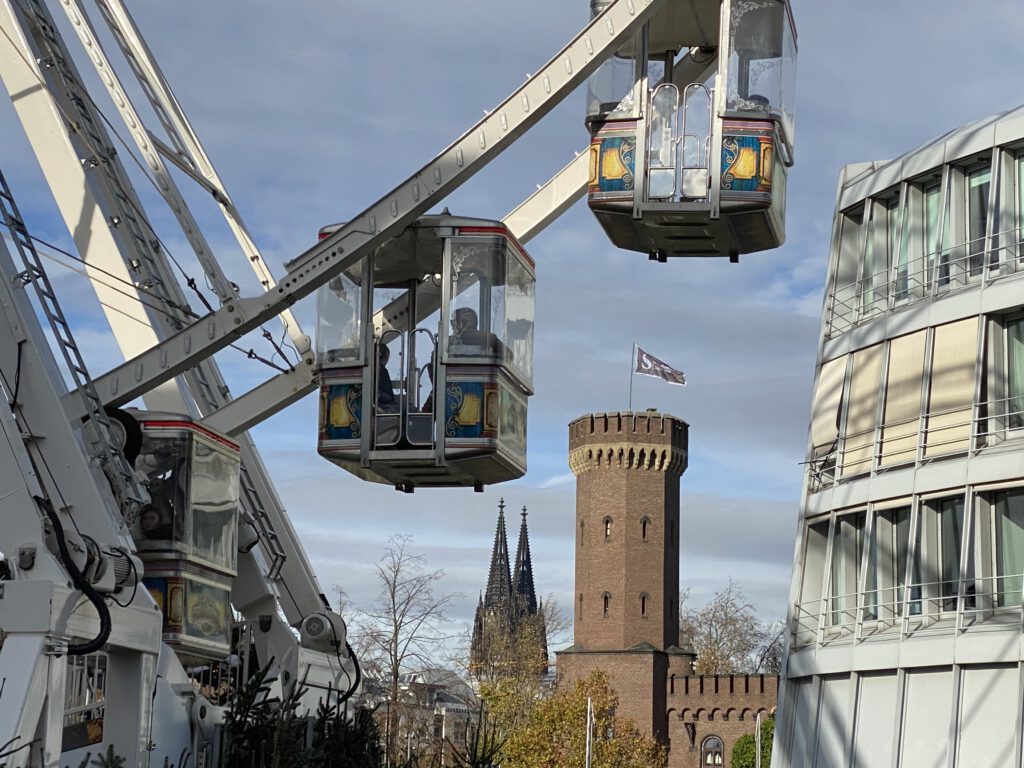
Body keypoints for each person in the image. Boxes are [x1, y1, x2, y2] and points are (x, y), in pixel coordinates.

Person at [376, 343, 399, 413]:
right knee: (412, 409)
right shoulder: (382, 370)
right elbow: (387, 396)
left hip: (380, 404)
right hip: (383, 405)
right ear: (385, 357)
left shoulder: (374, 369)